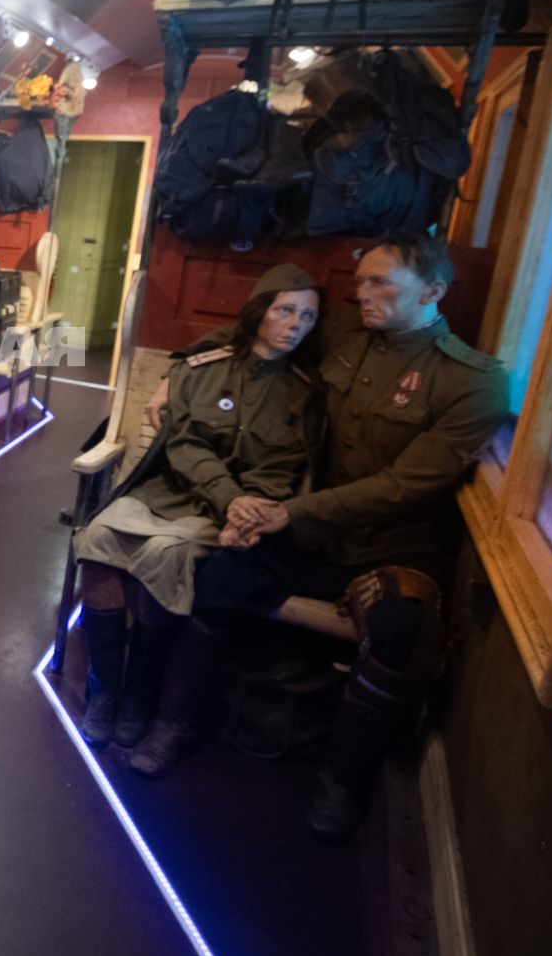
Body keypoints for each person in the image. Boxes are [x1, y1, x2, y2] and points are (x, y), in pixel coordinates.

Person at [137, 232, 507, 841]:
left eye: (381, 281)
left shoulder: (473, 381)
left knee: (400, 630)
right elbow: (252, 329)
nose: (361, 291)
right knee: (221, 577)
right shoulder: (343, 332)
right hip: (306, 535)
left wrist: (291, 516)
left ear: (434, 291)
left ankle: (344, 782)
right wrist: (174, 376)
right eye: (361, 281)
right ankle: (175, 722)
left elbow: (405, 485)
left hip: (388, 546)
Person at [70, 265, 321, 751]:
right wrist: (232, 496)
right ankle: (107, 687)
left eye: (308, 316)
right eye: (285, 310)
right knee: (98, 538)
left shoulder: (304, 392)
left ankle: (141, 692)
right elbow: (181, 444)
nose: (297, 324)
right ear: (258, 313)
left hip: (223, 513)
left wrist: (242, 507)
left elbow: (285, 467)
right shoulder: (203, 368)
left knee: (165, 554)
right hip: (172, 489)